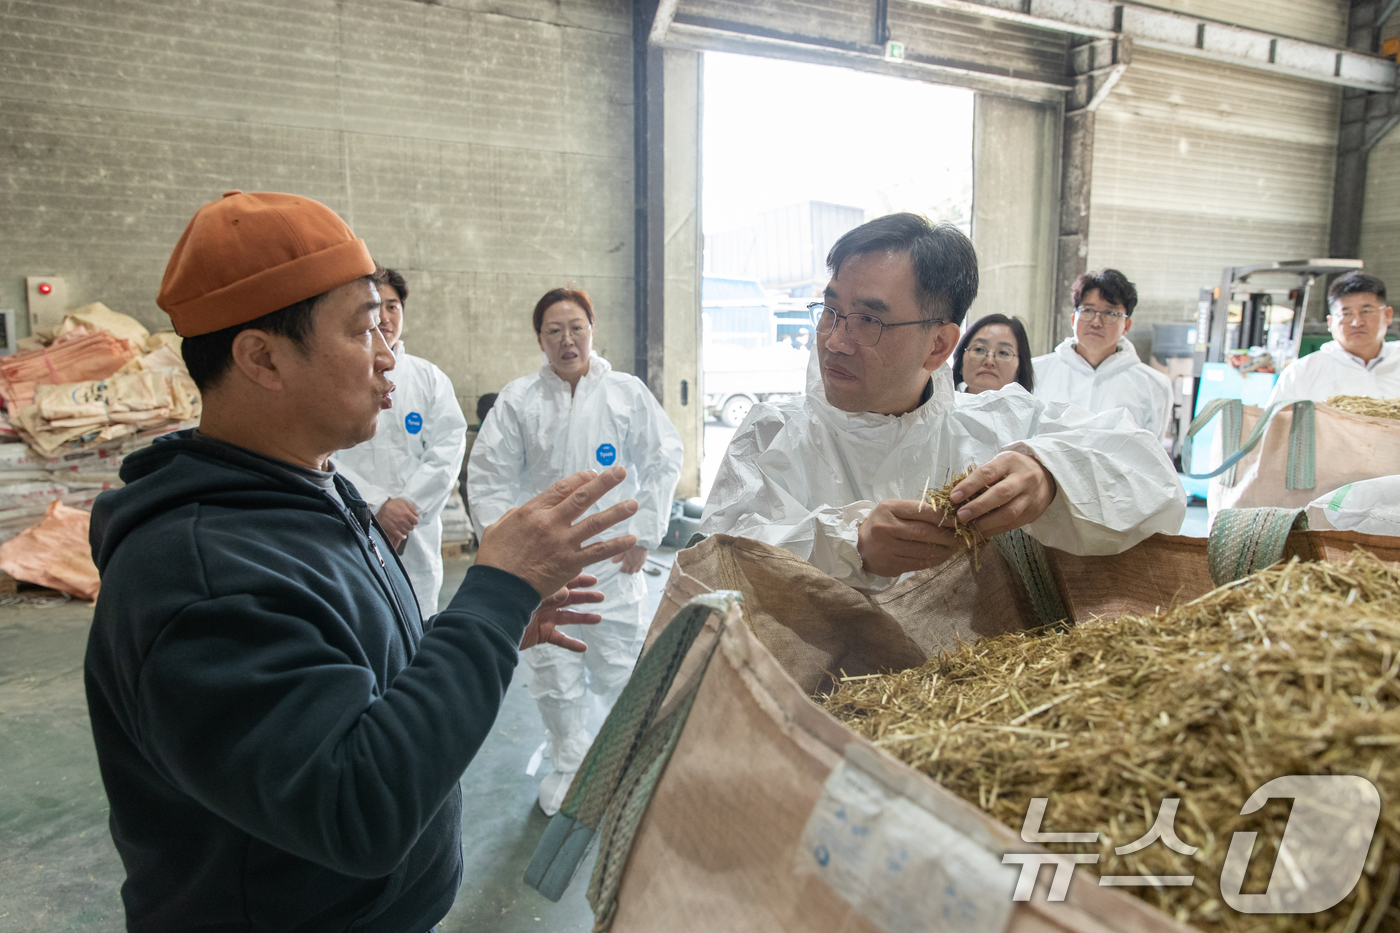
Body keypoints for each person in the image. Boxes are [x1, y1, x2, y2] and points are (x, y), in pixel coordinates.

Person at [84, 191, 641, 933]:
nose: (388, 357)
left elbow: (352, 677)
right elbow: (359, 806)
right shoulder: (201, 576)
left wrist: (490, 625)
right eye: (362, 330)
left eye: (387, 326)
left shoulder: (306, 491)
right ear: (262, 357)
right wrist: (494, 593)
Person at [700, 213, 1184, 590]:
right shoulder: (771, 435)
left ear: (938, 345)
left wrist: (1052, 475)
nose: (834, 340)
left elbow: (1153, 480)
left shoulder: (998, 428)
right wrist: (849, 544)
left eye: (868, 321)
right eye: (829, 310)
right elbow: (711, 567)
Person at [467, 286, 684, 815]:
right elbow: (490, 477)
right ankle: (570, 763)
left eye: (576, 328)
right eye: (554, 331)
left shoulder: (626, 393)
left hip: (611, 560)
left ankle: (625, 761)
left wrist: (646, 535)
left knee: (618, 665)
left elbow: (664, 458)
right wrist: (509, 554)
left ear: (592, 330)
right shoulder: (519, 400)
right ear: (540, 339)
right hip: (542, 569)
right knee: (552, 670)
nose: (567, 340)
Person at [333, 266, 468, 617]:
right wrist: (377, 505)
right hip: (352, 521)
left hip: (417, 533)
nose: (386, 316)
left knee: (416, 625)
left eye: (393, 306)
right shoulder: (337, 376)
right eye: (377, 307)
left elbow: (447, 450)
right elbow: (328, 455)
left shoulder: (429, 378)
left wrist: (406, 507)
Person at [1031, 269, 1173, 438]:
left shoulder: (1153, 385)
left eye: (1110, 313)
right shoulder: (1036, 371)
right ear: (1073, 319)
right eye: (1088, 310)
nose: (1096, 322)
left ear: (1126, 325)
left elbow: (1150, 455)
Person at [1266, 271, 1399, 405]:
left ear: (1387, 315)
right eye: (1346, 314)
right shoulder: (1303, 372)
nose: (1357, 322)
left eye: (1366, 311)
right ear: (1330, 322)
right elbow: (1276, 423)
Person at [953, 313, 1034, 393]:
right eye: (979, 349)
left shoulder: (1034, 406)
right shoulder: (942, 405)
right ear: (961, 362)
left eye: (1003, 353)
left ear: (1019, 368)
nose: (989, 361)